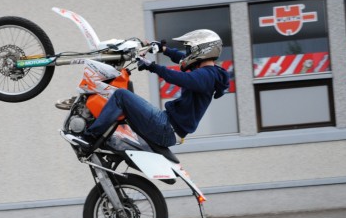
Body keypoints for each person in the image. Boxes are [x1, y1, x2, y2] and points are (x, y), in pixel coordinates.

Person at [70, 29, 230, 152]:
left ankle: (89, 137)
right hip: (169, 126)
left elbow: (180, 78)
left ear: (202, 50)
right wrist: (163, 49)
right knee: (126, 101)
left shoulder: (207, 76)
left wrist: (152, 66)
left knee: (121, 96)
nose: (187, 53)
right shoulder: (209, 72)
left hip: (166, 127)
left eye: (190, 49)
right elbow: (182, 59)